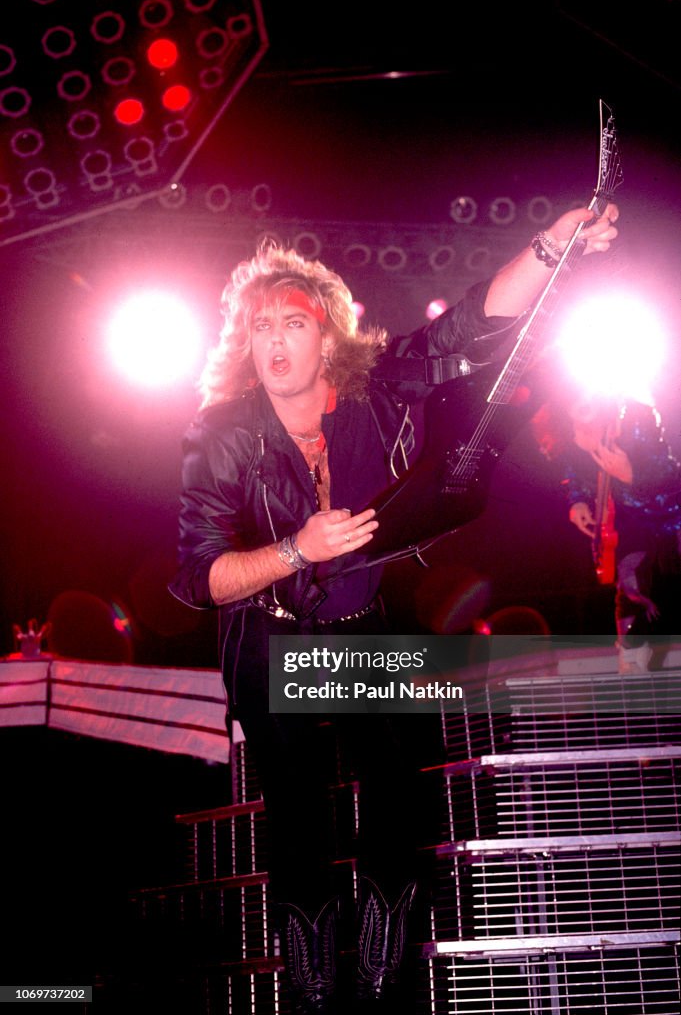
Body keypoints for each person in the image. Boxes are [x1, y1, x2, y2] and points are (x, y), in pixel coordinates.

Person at [169, 205, 618, 1013]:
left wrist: (550, 247)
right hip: (269, 637)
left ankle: (384, 972)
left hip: (359, 626)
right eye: (260, 326)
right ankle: (311, 987)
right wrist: (295, 550)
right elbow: (203, 575)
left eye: (292, 322)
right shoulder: (221, 432)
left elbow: (471, 323)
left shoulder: (375, 388)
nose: (275, 341)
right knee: (299, 812)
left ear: (326, 334)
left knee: (397, 793)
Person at [559, 394, 681, 671]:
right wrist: (577, 500)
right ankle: (632, 669)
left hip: (668, 533)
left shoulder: (643, 421)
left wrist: (631, 478)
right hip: (630, 539)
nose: (576, 430)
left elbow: (671, 493)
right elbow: (575, 470)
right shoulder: (580, 431)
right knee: (630, 602)